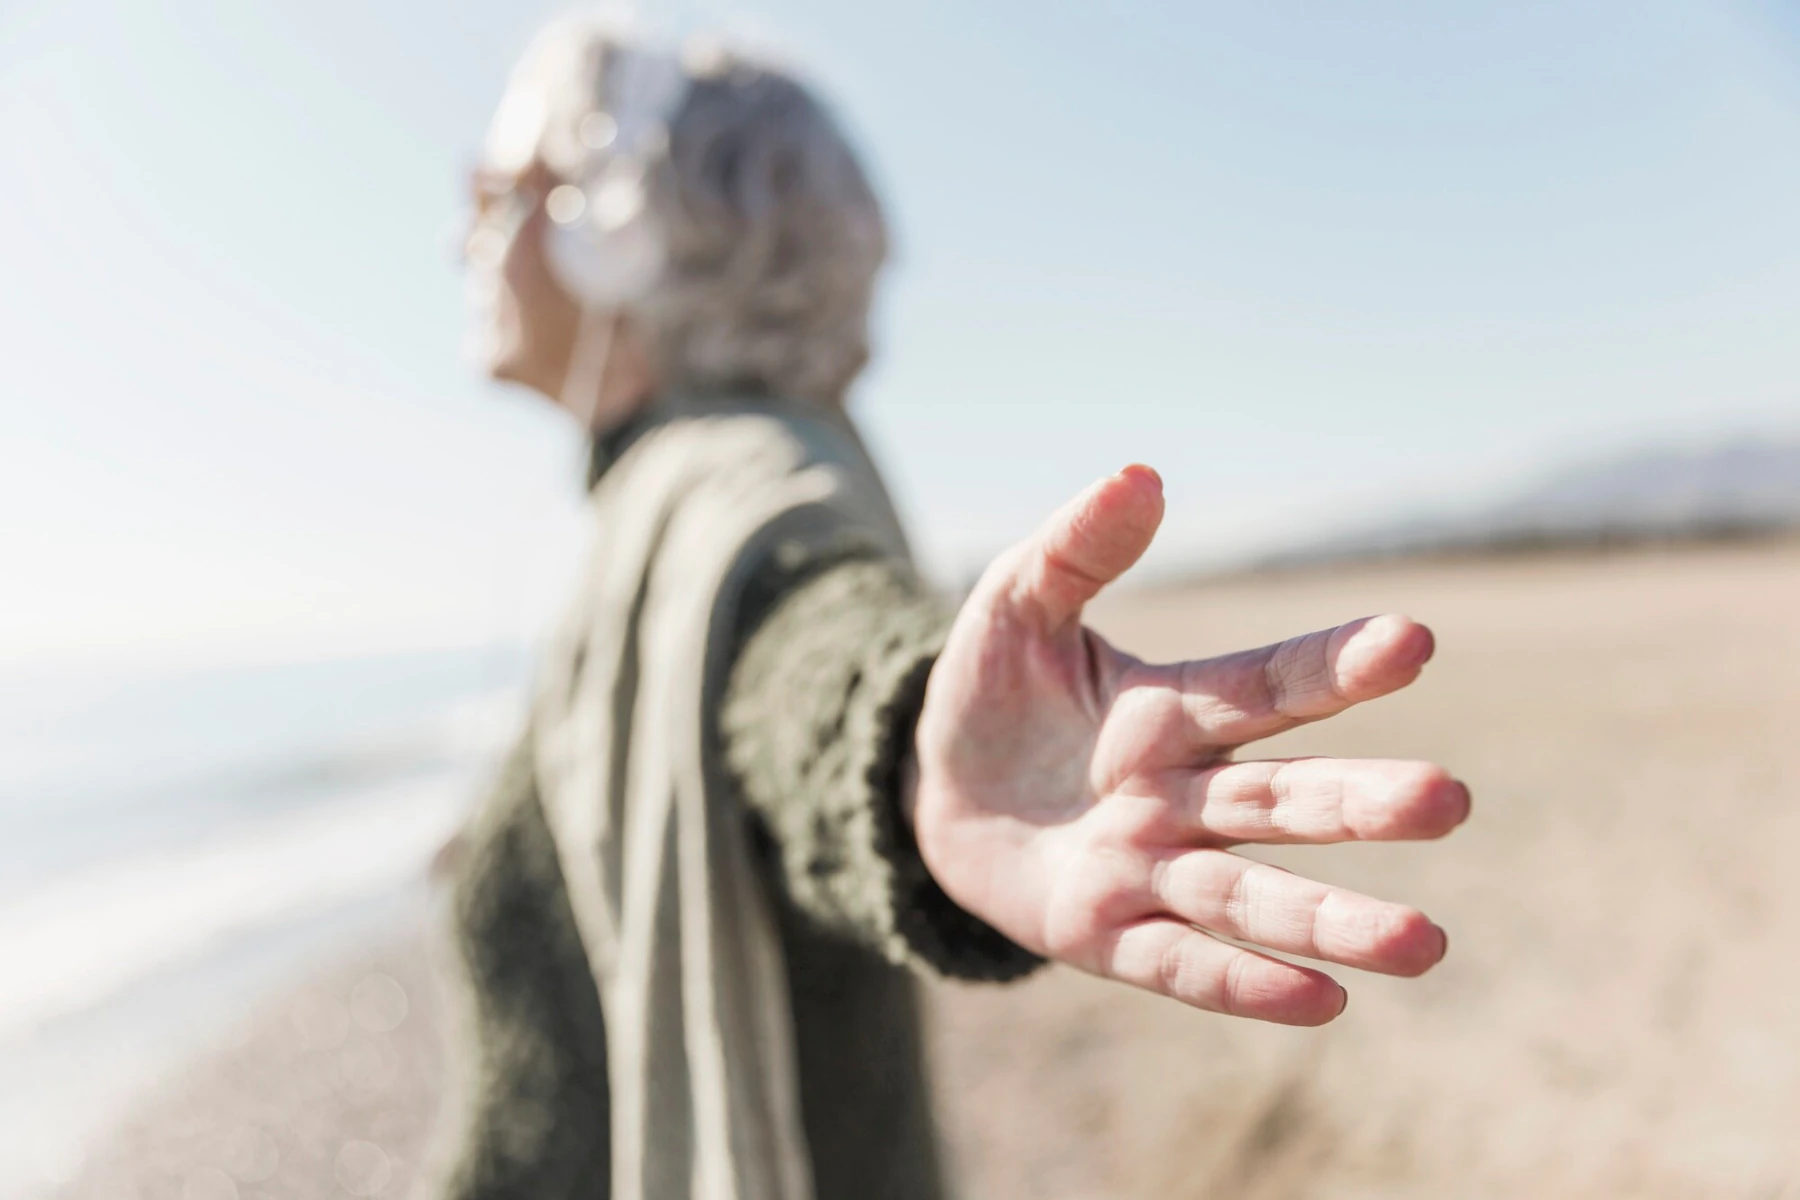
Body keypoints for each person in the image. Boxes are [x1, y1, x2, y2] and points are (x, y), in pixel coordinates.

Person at [432, 18, 1470, 1200]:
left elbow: (805, 653)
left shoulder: (742, 494)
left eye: (497, 190)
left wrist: (911, 751)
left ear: (619, 234)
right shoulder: (681, 493)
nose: (460, 233)